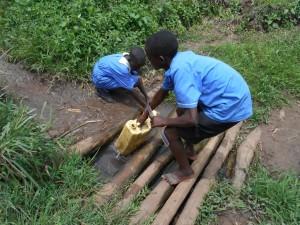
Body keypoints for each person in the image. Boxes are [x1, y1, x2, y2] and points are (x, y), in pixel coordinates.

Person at [137, 30, 253, 185]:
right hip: (233, 95)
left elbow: (192, 119)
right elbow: (162, 93)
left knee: (171, 132)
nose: (148, 60)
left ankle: (185, 171)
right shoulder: (178, 61)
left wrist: (164, 120)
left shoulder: (181, 72)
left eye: (149, 56)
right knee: (180, 110)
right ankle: (190, 151)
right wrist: (145, 113)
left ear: (160, 59)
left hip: (231, 107)